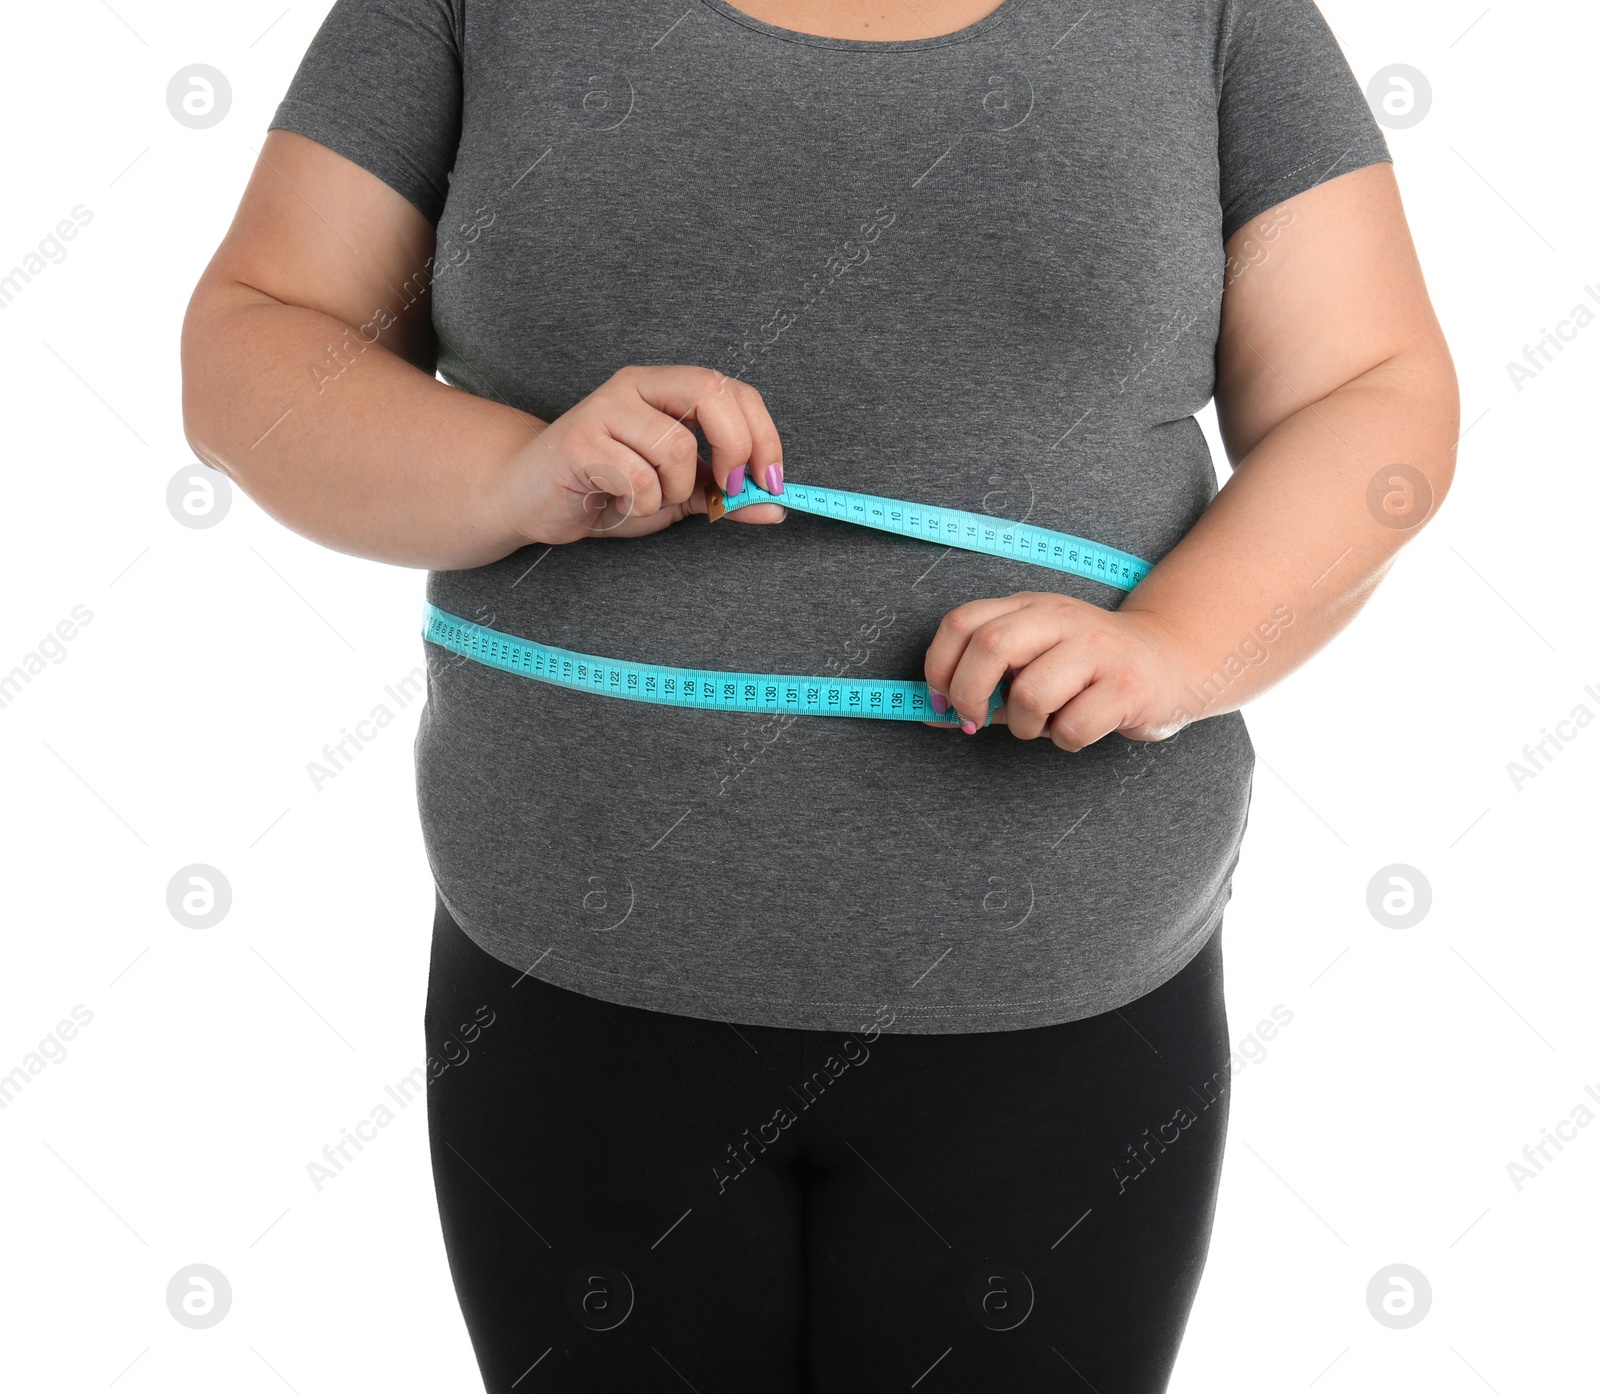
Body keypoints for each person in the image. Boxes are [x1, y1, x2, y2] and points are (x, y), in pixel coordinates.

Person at [180, 0, 1457, 1388]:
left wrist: (1171, 643)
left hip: (1065, 1003)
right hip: (570, 981)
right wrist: (512, 470)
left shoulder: (1209, 15)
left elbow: (1371, 389)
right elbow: (255, 339)